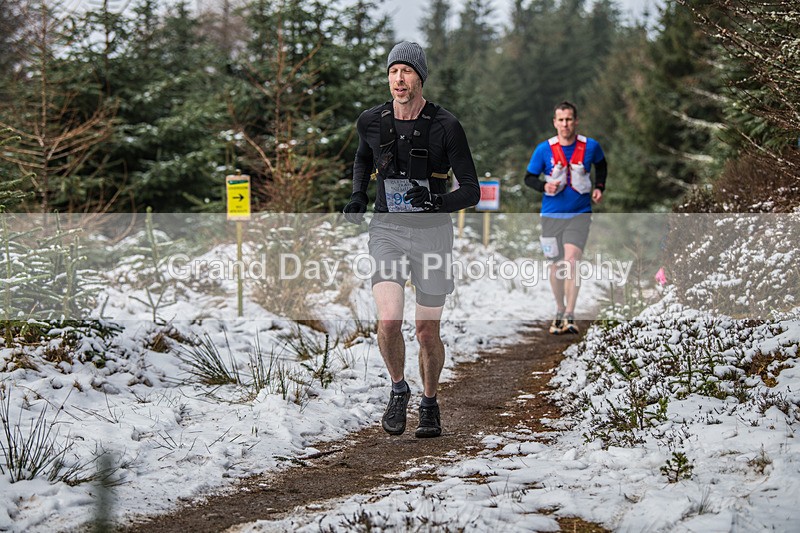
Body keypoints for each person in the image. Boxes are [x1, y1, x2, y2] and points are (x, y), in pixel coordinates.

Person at [343, 41, 480, 438]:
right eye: (392, 72)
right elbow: (362, 159)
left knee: (425, 332)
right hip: (386, 229)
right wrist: (357, 196)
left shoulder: (446, 126)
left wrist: (436, 200)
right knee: (388, 319)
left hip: (433, 235)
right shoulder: (371, 120)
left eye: (406, 72)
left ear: (420, 78)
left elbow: (472, 190)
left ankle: (430, 402)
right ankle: (399, 388)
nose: (398, 79)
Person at [524, 101, 607, 335]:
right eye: (561, 120)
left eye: (569, 119)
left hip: (579, 213)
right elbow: (528, 177)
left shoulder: (591, 146)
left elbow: (601, 165)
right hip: (550, 214)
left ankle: (571, 313)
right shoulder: (544, 149)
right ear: (555, 122)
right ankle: (559, 308)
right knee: (555, 266)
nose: (565, 124)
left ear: (576, 121)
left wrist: (599, 186)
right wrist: (544, 186)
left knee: (571, 262)